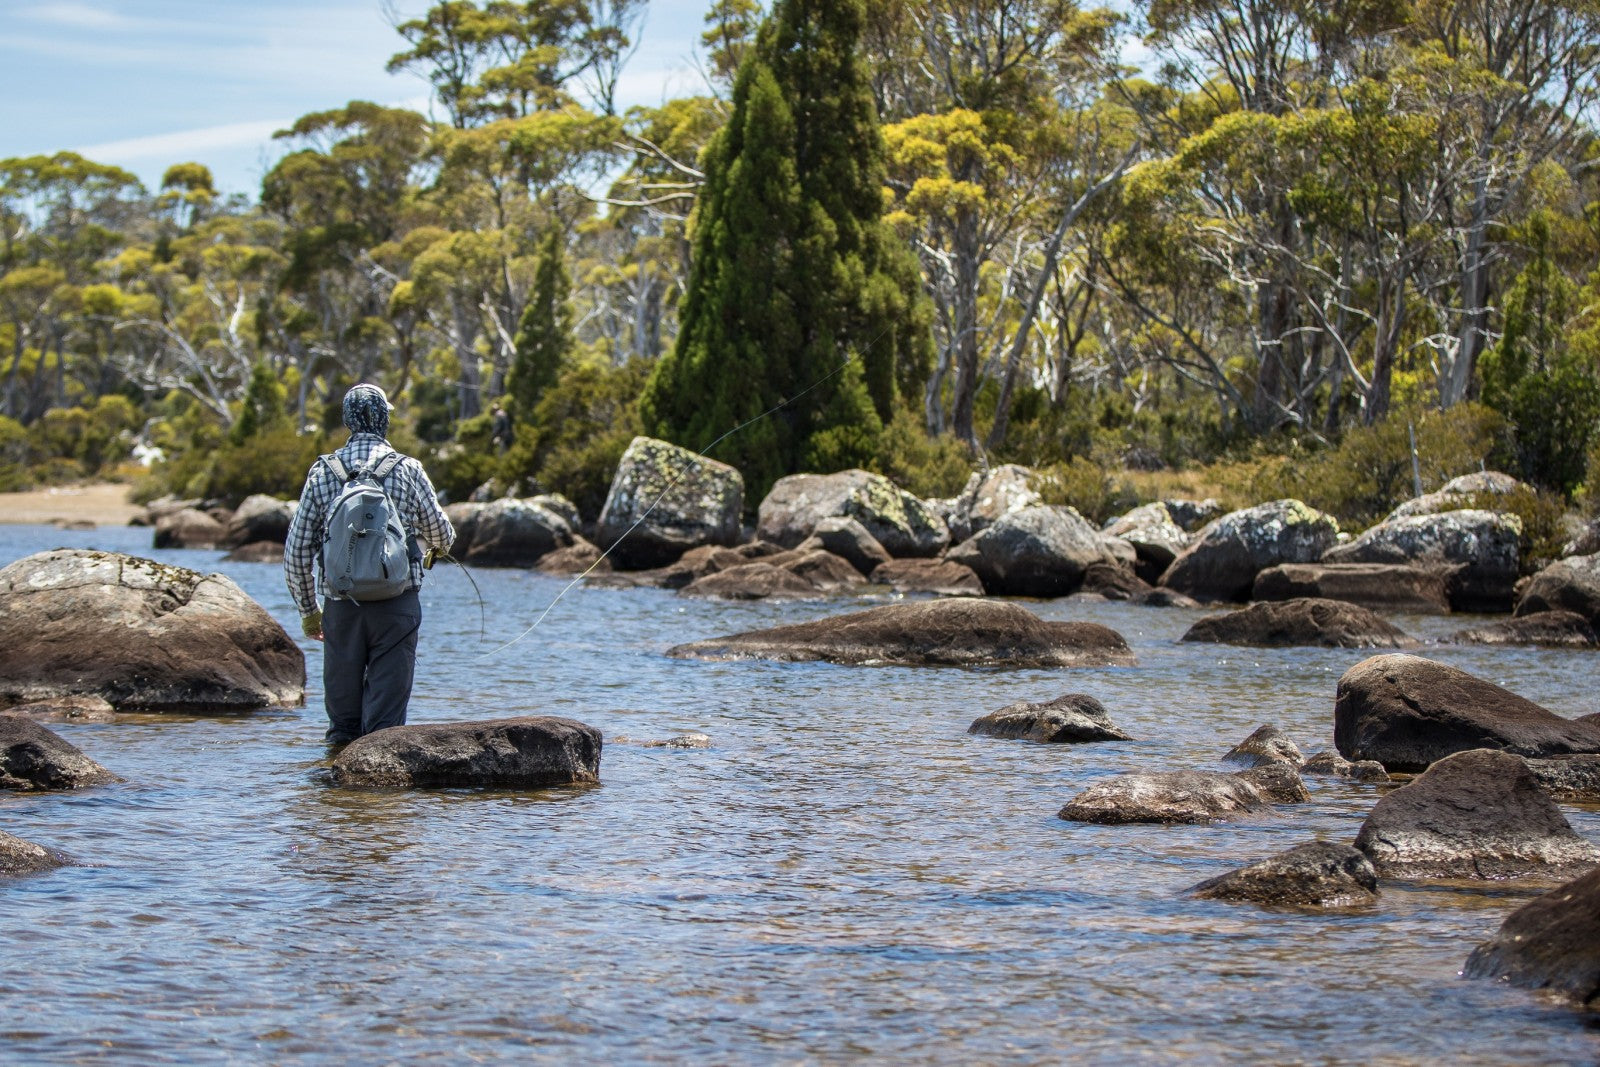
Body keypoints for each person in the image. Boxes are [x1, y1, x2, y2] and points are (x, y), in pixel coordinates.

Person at [284, 383, 455, 744]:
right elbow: (441, 533)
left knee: (343, 726)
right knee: (386, 729)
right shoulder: (408, 469)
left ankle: (338, 797)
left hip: (341, 606)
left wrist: (309, 611)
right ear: (384, 420)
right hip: (397, 604)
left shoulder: (323, 471)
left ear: (347, 420)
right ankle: (380, 799)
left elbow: (296, 551)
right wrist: (435, 549)